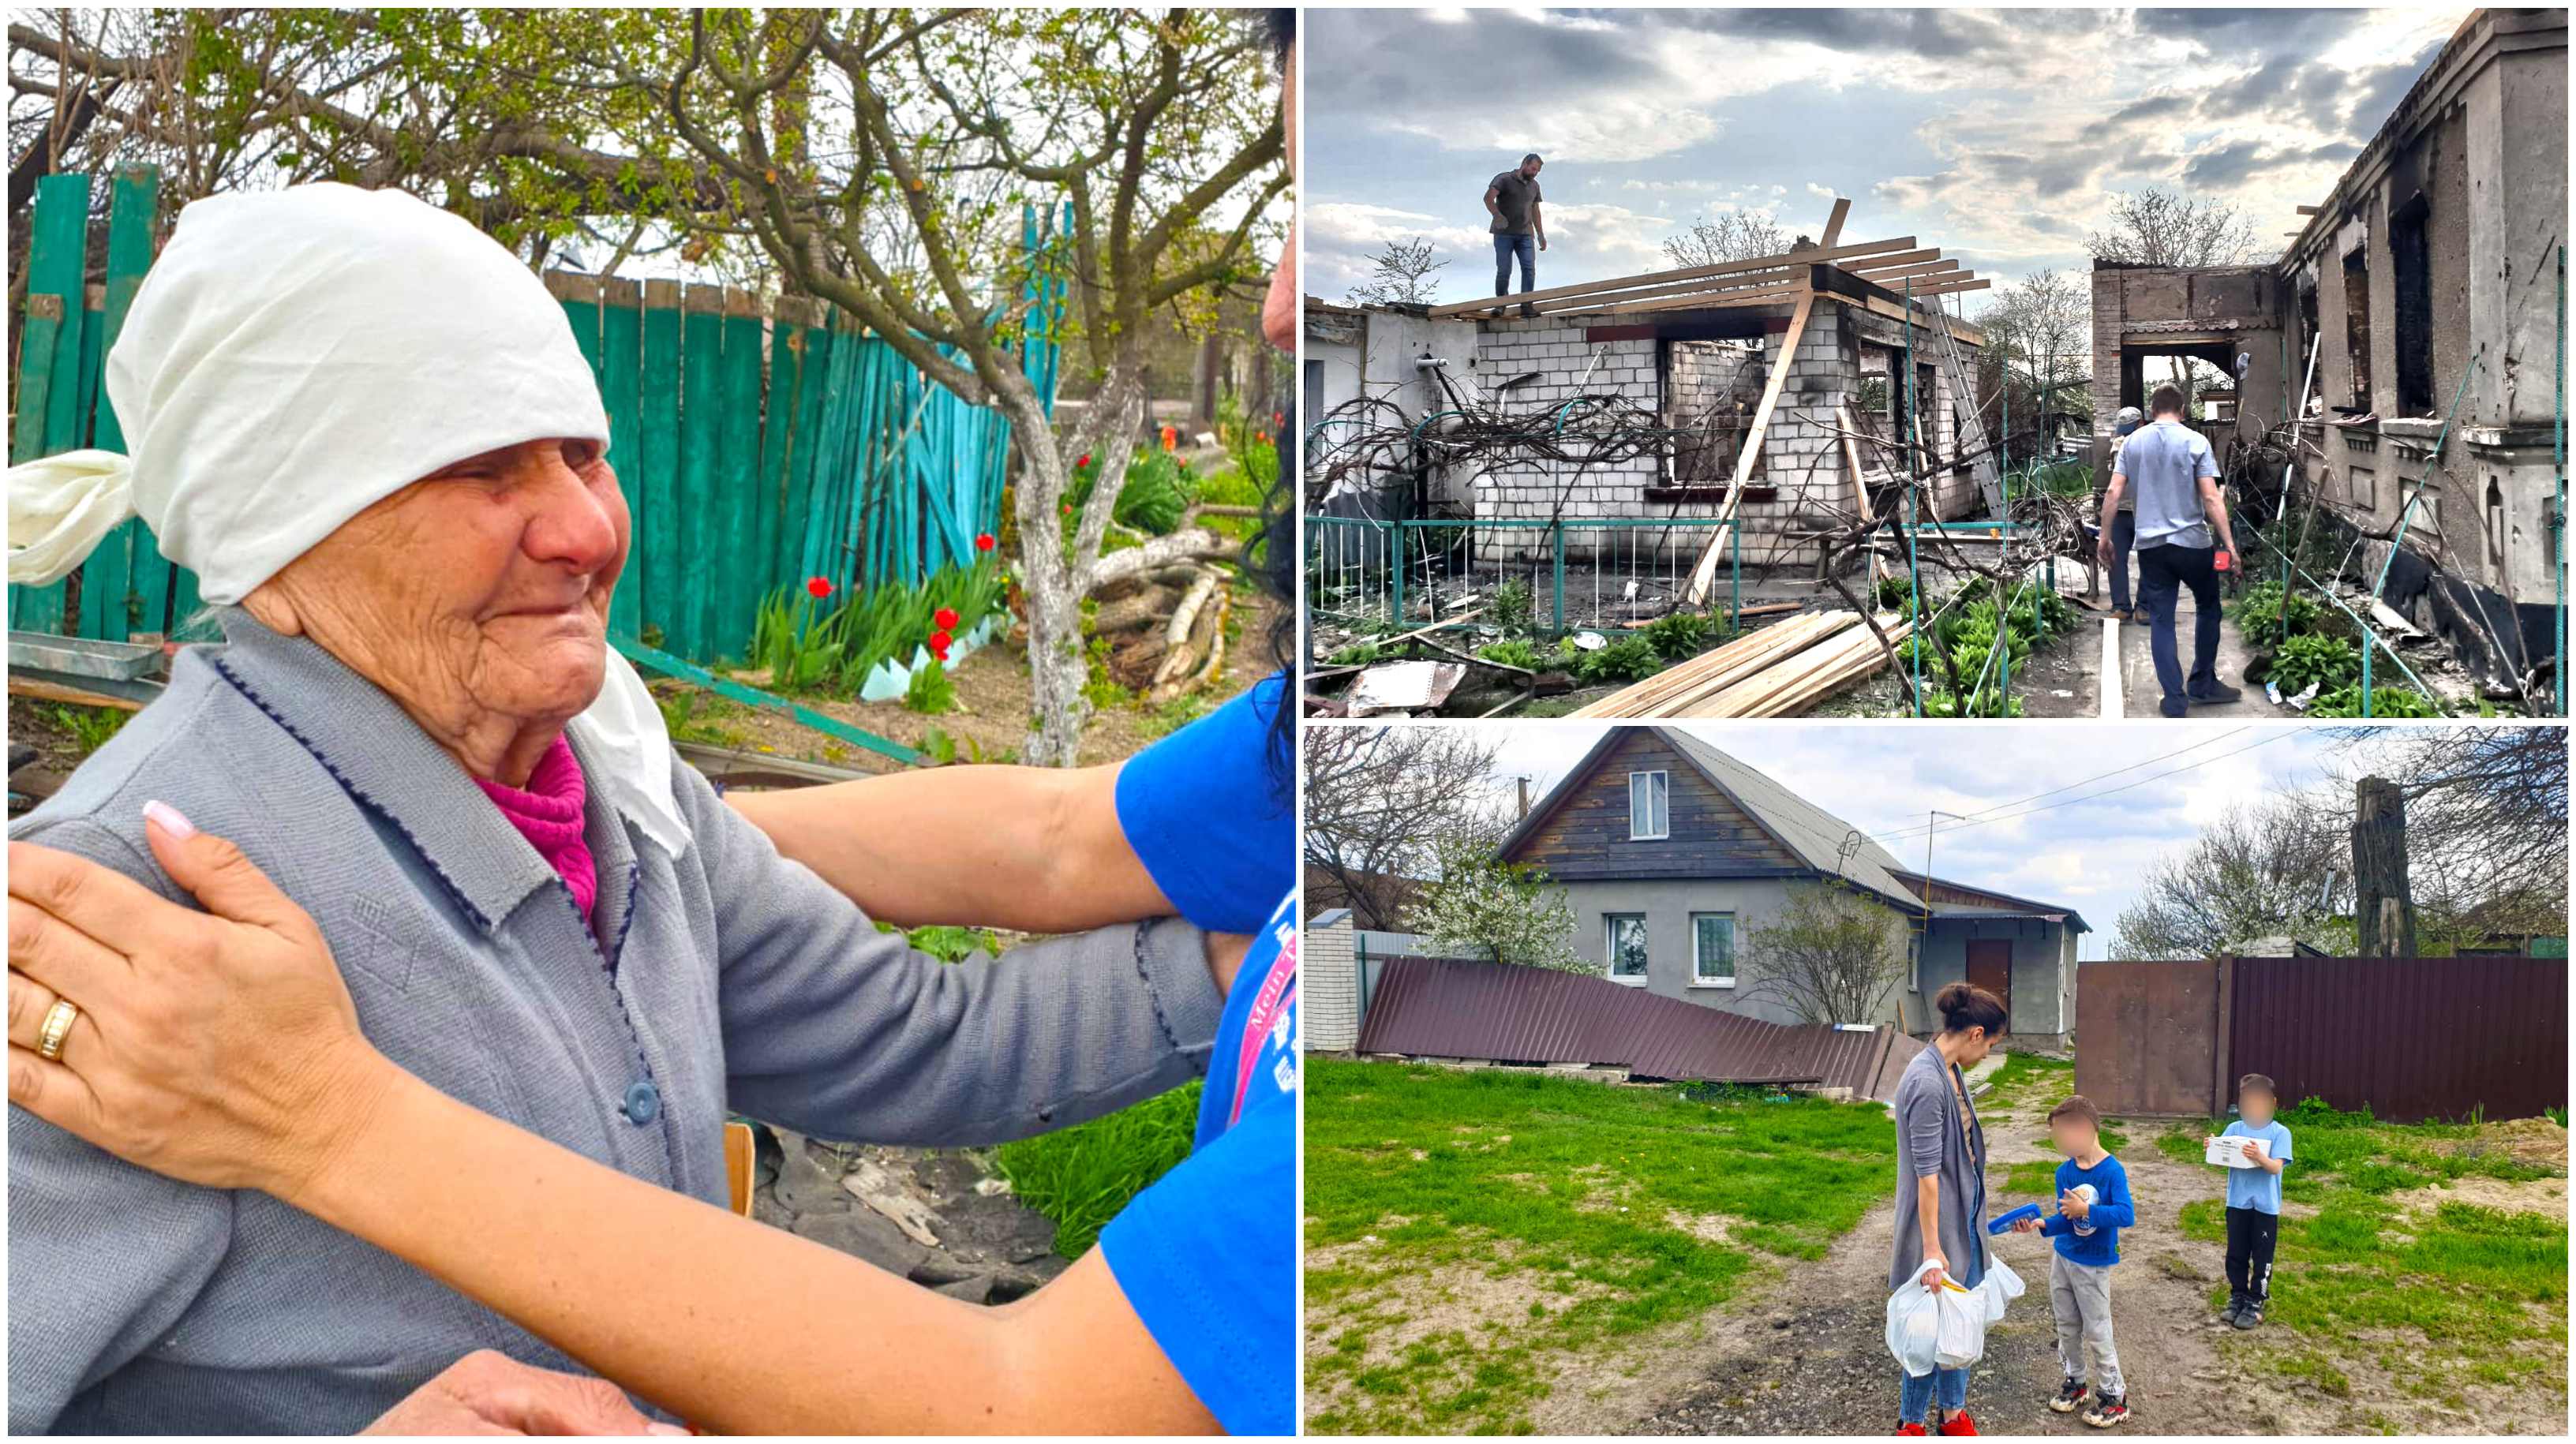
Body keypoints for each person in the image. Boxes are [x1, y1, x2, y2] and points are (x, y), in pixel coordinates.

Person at [8, 8, 1303, 1435]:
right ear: (279, 553)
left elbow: (919, 1038)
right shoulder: (112, 926)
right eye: (480, 469)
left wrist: (1260, 965)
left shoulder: (615, 798)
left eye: (582, 452)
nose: (582, 527)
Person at [1891, 981, 2007, 1436]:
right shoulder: (1926, 1082)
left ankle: (1953, 1414)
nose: (1990, 1054)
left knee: (1960, 1320)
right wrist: (1932, 1251)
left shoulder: (1950, 1068)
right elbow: (1926, 1176)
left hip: (1965, 1220)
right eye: (1992, 1045)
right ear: (1976, 1033)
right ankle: (1912, 1423)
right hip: (1938, 1230)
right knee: (1929, 1328)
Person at [2100, 383, 2241, 716]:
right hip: (2193, 545)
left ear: (2151, 412)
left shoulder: (2132, 443)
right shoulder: (2196, 441)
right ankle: (2203, 684)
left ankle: (2175, 700)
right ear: (2182, 410)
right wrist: (2231, 546)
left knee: (2162, 620)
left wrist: (2104, 537)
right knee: (2209, 607)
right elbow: (2210, 497)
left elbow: (2112, 493)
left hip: (2152, 548)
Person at [2012, 1094, 2135, 1427]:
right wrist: (2043, 1225)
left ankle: (2114, 1397)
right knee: (2066, 1325)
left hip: (2093, 1264)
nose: (2060, 1143)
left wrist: (2088, 1211)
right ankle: (2076, 1383)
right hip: (2063, 1258)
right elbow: (2066, 1218)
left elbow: (2126, 1214)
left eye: (2063, 1135)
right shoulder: (2065, 1172)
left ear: (2086, 1129)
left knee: (2097, 1329)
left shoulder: (2112, 1171)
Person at [2217, 1073, 2293, 1330]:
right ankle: (2237, 1295)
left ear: (2273, 1102)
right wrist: (2212, 1146)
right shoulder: (2236, 1128)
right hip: (2237, 1203)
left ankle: (2257, 1300)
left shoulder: (2280, 1133)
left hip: (2265, 1207)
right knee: (2236, 1254)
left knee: (2262, 1256)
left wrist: (2260, 1157)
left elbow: (2275, 1168)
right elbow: (2220, 1154)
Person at [1485, 152, 1546, 313]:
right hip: (1504, 233)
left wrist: (1540, 234)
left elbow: (1535, 210)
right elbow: (1488, 198)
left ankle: (1526, 306)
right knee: (1504, 269)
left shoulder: (1535, 186)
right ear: (1524, 164)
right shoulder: (1504, 179)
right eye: (1533, 169)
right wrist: (1497, 215)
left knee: (1529, 268)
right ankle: (1501, 304)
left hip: (1525, 234)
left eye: (1537, 171)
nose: (1534, 173)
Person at [2100, 405, 2145, 622]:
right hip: (2121, 509)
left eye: (2130, 429)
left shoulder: (2149, 443)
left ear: (2141, 424)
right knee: (2116, 559)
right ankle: (2122, 606)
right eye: (2123, 430)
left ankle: (2144, 607)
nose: (2126, 434)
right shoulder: (2119, 444)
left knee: (2149, 558)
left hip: (2144, 509)